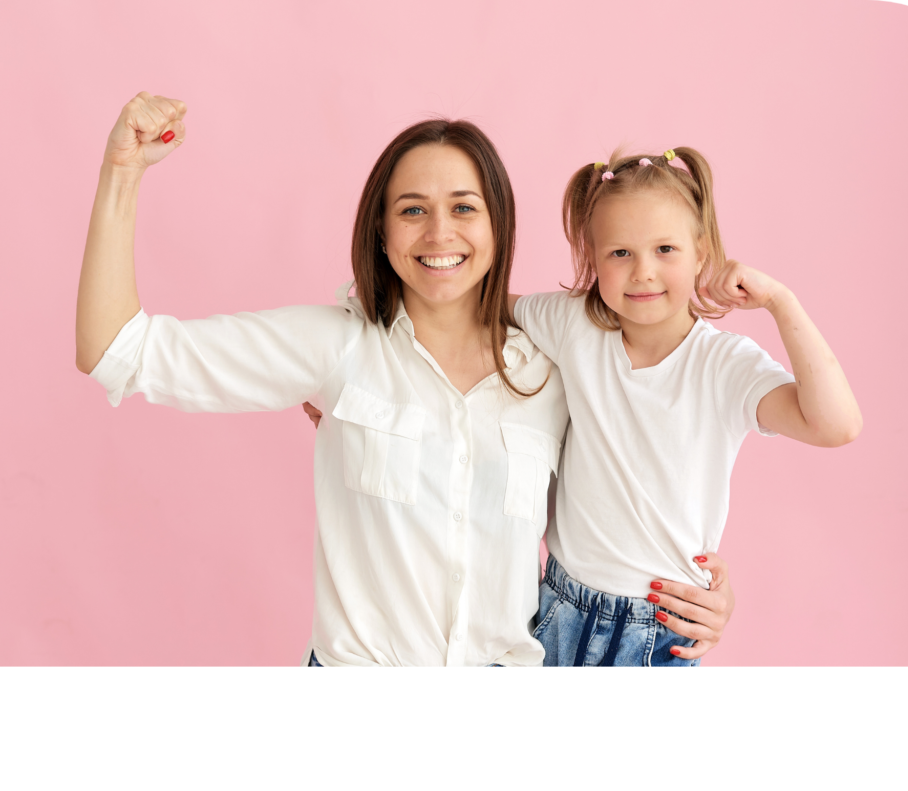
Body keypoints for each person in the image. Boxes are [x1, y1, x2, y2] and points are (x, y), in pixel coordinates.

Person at [75, 92, 735, 666]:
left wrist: (705, 589)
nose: (440, 231)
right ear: (382, 232)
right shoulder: (337, 345)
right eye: (413, 210)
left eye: (464, 207)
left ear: (499, 224)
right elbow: (117, 349)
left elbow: (639, 491)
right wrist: (121, 171)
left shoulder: (554, 369)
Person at [505, 149, 862, 665]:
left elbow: (837, 425)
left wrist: (781, 301)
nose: (643, 272)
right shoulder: (573, 324)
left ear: (702, 254)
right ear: (592, 260)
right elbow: (481, 302)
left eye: (665, 249)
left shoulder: (724, 365)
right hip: (557, 608)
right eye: (619, 253)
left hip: (658, 629)